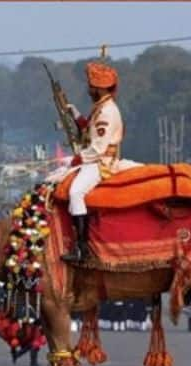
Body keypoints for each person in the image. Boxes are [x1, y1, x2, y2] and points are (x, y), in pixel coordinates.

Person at [62, 61, 125, 263]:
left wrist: (77, 159)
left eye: (91, 87)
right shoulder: (100, 108)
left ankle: (82, 248)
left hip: (101, 163)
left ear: (99, 88)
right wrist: (75, 114)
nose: (89, 90)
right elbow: (88, 129)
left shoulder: (107, 112)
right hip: (93, 159)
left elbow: (98, 148)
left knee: (75, 192)